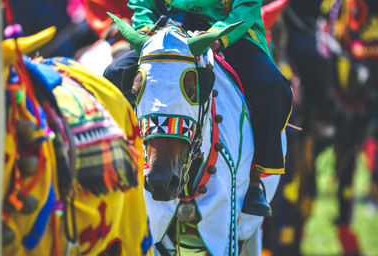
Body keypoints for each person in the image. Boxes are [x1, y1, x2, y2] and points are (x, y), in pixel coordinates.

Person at [104, 0, 293, 217]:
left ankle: (254, 180)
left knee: (272, 86)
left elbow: (247, 6)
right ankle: (122, 167)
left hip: (230, 30)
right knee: (114, 75)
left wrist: (218, 35)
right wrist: (146, 28)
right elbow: (144, 4)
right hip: (168, 29)